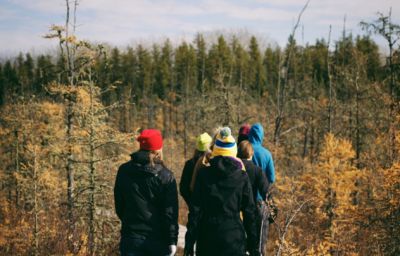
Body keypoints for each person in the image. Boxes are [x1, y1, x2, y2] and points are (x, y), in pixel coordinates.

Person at [184, 127, 259, 256]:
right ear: (234, 151)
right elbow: (250, 213)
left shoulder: (203, 174)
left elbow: (195, 211)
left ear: (216, 150)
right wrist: (254, 247)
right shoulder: (241, 176)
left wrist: (189, 244)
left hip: (207, 238)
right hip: (234, 238)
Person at [114, 129, 179, 256]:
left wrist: (130, 222)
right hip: (158, 240)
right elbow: (170, 213)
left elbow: (119, 204)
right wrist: (172, 240)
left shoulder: (124, 170)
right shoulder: (166, 176)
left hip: (131, 237)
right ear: (158, 150)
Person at [248, 123, 276, 255]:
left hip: (242, 202)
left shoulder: (242, 151)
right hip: (260, 202)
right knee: (260, 243)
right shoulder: (266, 154)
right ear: (261, 136)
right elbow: (271, 178)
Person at [180, 132, 212, 209]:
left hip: (194, 210)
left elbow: (183, 188)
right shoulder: (212, 165)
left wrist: (191, 204)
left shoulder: (189, 164)